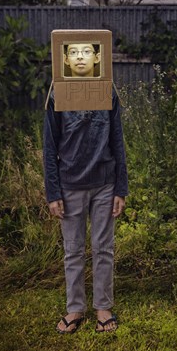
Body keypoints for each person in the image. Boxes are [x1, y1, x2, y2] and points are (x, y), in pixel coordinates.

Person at [43, 84, 128, 334]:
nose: (81, 57)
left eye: (87, 51)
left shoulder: (107, 91)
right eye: (76, 52)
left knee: (103, 248)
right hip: (69, 184)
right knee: (73, 250)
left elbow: (117, 141)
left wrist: (120, 188)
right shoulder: (58, 93)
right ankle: (75, 308)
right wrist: (53, 193)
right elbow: (49, 147)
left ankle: (103, 306)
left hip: (104, 183)